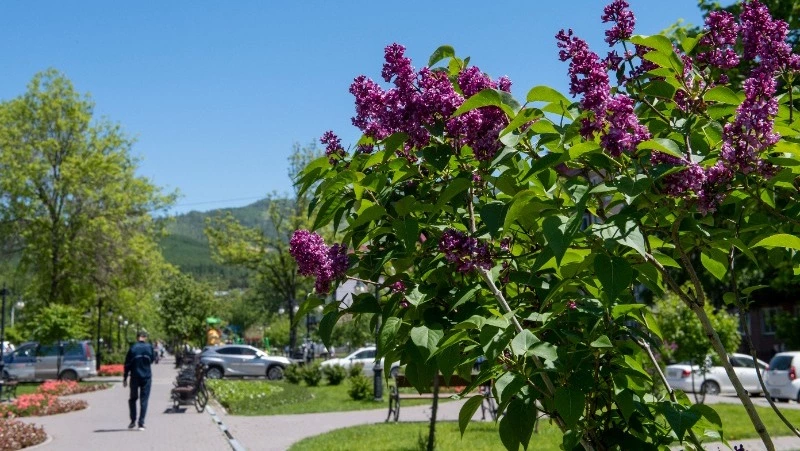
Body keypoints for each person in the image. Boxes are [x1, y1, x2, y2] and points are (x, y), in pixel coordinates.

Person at [123, 331, 154, 431]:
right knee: (144, 400)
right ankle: (141, 423)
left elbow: (127, 364)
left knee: (133, 399)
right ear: (145, 337)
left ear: (137, 337)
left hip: (135, 376)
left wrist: (125, 377)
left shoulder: (133, 348)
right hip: (146, 376)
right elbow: (153, 360)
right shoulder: (149, 347)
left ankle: (132, 421)